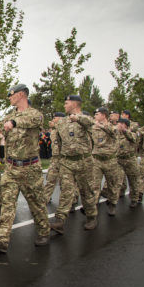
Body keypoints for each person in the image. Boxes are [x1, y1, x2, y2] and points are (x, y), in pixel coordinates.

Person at [0, 84, 50, 253]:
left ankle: (44, 231)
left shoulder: (35, 114)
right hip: (11, 167)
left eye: (11, 94)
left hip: (30, 168)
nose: (9, 97)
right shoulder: (8, 116)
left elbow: (32, 121)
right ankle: (2, 240)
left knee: (36, 203)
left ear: (21, 94)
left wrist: (14, 122)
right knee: (7, 204)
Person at [49, 95, 98, 235]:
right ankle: (60, 220)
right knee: (66, 191)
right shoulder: (62, 122)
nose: (64, 105)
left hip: (84, 161)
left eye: (66, 103)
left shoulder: (85, 119)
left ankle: (91, 216)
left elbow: (92, 125)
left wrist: (79, 119)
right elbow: (59, 140)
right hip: (67, 162)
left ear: (75, 104)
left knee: (86, 190)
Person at [90, 107, 121, 216]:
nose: (95, 116)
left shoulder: (113, 127)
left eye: (97, 114)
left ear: (104, 115)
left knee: (112, 185)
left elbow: (114, 133)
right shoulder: (93, 127)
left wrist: (102, 126)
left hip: (110, 161)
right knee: (94, 185)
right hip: (96, 160)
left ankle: (112, 204)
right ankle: (92, 209)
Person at [116, 118, 140, 207]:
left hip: (130, 161)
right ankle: (113, 200)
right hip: (119, 160)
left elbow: (132, 138)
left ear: (125, 125)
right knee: (117, 180)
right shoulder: (116, 134)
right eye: (118, 123)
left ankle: (134, 199)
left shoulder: (133, 133)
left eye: (121, 123)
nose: (119, 125)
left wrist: (124, 130)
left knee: (133, 181)